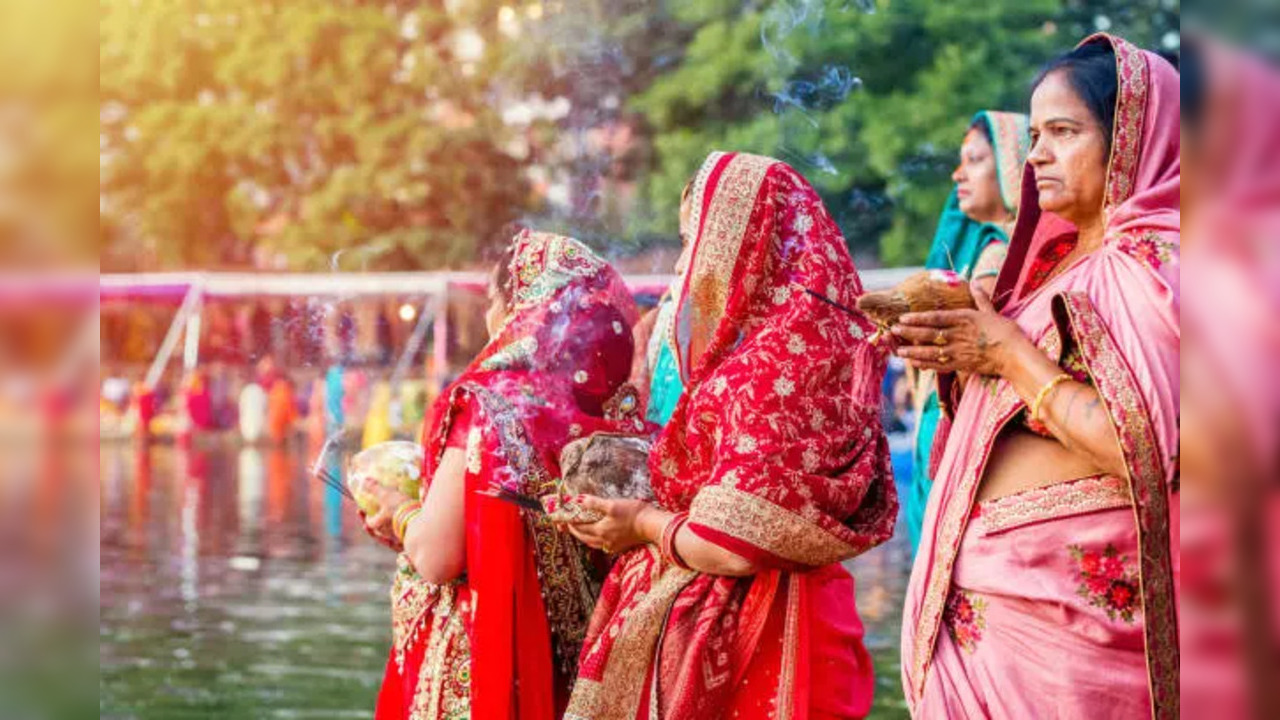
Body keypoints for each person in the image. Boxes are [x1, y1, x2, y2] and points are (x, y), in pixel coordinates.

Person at [895, 34, 1179, 719]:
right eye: (1038, 133)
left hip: (1075, 645)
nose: (1038, 153)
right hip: (989, 618)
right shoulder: (1048, 269)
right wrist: (964, 359)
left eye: (1064, 131)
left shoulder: (1158, 265)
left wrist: (1006, 353)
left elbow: (1147, 451)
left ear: (1132, 138)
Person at [563, 151, 896, 719]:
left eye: (693, 241)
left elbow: (731, 544)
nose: (684, 265)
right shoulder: (813, 342)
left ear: (739, 244)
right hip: (808, 612)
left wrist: (640, 523)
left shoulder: (771, 364)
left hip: (770, 631)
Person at [360, 230, 639, 720]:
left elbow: (438, 556)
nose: (490, 319)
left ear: (523, 308)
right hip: (578, 674)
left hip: (486, 673)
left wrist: (398, 510)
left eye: (493, 301)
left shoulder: (491, 401)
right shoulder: (617, 417)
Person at [905, 110, 1031, 554]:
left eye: (976, 160)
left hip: (973, 440)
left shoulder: (1008, 256)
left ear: (1014, 170)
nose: (958, 173)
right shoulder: (980, 250)